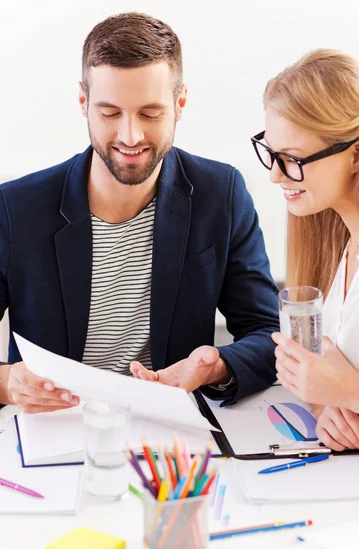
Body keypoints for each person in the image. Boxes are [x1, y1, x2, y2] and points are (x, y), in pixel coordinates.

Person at [0, 12, 279, 414]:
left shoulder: (222, 195)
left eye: (150, 113)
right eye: (109, 113)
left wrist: (217, 366)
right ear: (83, 102)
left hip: (172, 432)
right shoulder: (16, 209)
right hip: (52, 433)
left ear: (180, 103)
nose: (130, 136)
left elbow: (266, 331)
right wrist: (8, 383)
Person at [251, 49, 359, 473]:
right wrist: (327, 405)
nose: (276, 175)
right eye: (272, 152)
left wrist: (351, 393)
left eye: (293, 159)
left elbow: (358, 386)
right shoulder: (347, 248)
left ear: (355, 154)